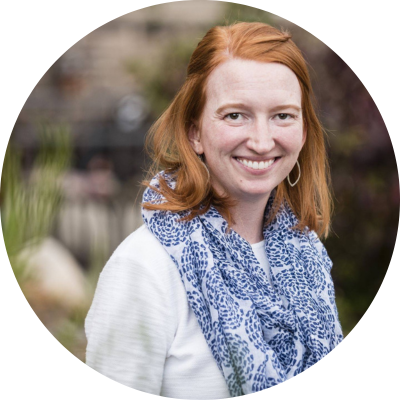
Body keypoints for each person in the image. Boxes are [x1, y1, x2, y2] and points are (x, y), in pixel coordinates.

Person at [85, 22, 343, 398]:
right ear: (195, 133)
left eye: (283, 115)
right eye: (235, 115)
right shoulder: (144, 269)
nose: (261, 140)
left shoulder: (307, 256)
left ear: (303, 132)